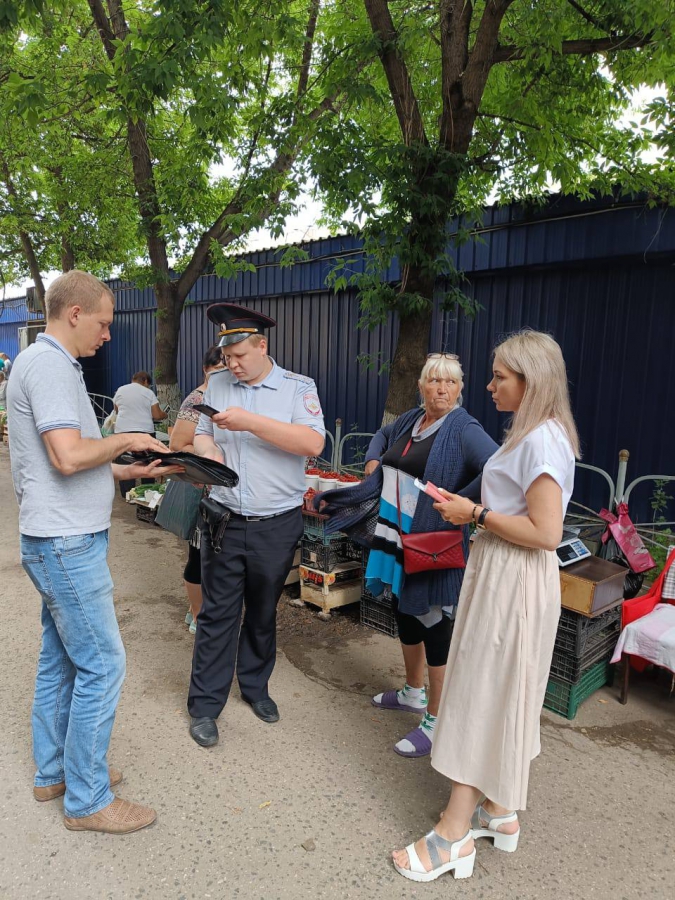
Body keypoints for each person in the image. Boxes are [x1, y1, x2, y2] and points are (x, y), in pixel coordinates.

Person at [391, 330, 579, 883]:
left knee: (483, 690)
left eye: (499, 376)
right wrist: (470, 509)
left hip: (515, 577)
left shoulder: (542, 439)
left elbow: (546, 532)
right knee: (502, 686)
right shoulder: (534, 433)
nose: (490, 384)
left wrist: (473, 514)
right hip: (505, 571)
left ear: (530, 381)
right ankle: (499, 811)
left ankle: (453, 835)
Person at [7, 269, 182, 835]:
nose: (108, 333)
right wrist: (130, 438)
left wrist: (126, 469)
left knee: (61, 659)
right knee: (103, 664)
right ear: (75, 313)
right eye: (104, 323)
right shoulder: (51, 366)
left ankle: (55, 772)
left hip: (53, 537)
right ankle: (87, 799)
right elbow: (65, 455)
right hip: (66, 542)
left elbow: (76, 457)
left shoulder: (46, 364)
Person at [326, 353, 497, 758]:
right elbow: (382, 437)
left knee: (435, 621)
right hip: (397, 534)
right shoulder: (411, 419)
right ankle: (412, 692)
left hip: (432, 541)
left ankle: (437, 721)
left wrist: (462, 501)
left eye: (451, 383)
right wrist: (372, 461)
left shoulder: (463, 428)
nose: (442, 389)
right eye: (434, 381)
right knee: (405, 611)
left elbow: (496, 467)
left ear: (459, 388)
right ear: (421, 385)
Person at [187, 303, 325, 747]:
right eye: (227, 358)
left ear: (262, 346)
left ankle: (255, 687)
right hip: (224, 518)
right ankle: (205, 706)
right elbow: (202, 433)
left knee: (263, 611)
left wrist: (249, 423)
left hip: (275, 523)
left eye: (240, 356)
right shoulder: (218, 385)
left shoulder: (297, 388)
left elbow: (312, 442)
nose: (233, 365)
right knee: (216, 614)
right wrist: (208, 452)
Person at [169, 345, 227, 634]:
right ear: (207, 370)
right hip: (202, 490)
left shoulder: (229, 397)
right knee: (198, 556)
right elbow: (177, 445)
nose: (224, 375)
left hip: (222, 491)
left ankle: (201, 609)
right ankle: (197, 613)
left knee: (214, 558)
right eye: (218, 370)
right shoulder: (197, 399)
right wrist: (211, 455)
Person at [113, 370, 167, 498]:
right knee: (147, 462)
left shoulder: (120, 390)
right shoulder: (148, 393)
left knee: (124, 462)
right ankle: (146, 493)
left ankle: (127, 494)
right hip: (144, 432)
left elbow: (116, 409)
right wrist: (165, 414)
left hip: (122, 431)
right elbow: (157, 415)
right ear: (146, 381)